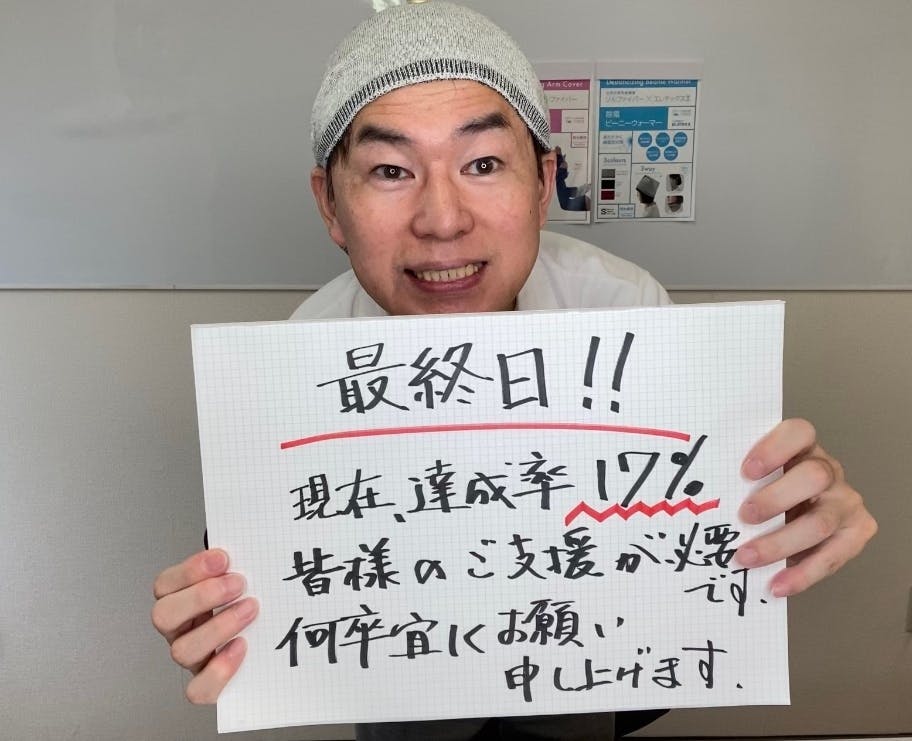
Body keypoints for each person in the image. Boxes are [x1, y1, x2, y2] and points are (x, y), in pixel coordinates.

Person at [151, 2, 877, 739]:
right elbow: (286, 571)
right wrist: (229, 607)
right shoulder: (301, 361)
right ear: (330, 206)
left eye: (484, 163)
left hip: (587, 676)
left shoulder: (624, 309)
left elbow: (674, 575)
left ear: (541, 184)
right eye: (391, 170)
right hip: (408, 687)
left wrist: (772, 509)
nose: (442, 220)